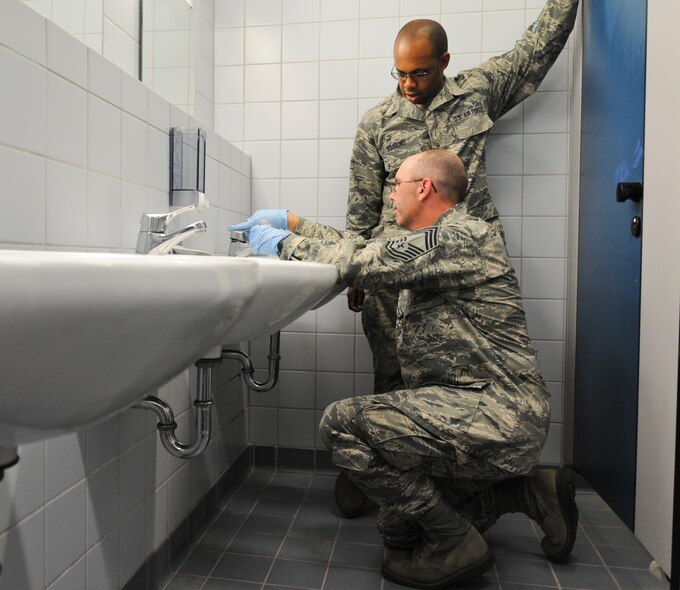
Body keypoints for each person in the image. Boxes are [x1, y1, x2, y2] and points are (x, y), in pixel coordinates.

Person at [228, 151, 577, 589]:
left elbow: (361, 262)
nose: (391, 193)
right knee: (402, 531)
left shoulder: (458, 237)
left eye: (397, 184)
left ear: (424, 188)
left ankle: (456, 541)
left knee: (341, 424)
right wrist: (292, 222)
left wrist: (280, 243)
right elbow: (368, 248)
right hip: (477, 412)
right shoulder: (436, 240)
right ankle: (527, 492)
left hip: (495, 413)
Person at [348, 0, 580, 397]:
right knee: (394, 374)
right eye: (400, 74)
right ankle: (398, 454)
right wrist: (357, 271)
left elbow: (536, 50)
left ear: (443, 61)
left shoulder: (476, 91)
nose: (408, 85)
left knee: (478, 370)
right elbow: (362, 200)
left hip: (466, 261)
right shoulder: (377, 121)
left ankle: (469, 453)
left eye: (419, 73)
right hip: (397, 267)